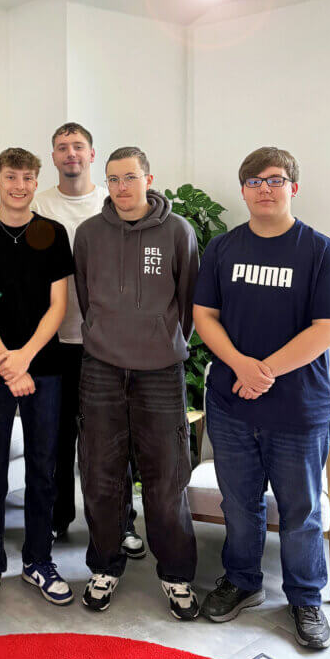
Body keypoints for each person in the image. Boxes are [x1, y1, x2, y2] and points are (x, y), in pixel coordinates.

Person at [194, 147, 330, 649]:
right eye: (254, 181)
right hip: (231, 404)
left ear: (293, 188)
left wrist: (264, 372)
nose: (265, 188)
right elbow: (204, 317)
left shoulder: (321, 251)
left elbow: (328, 328)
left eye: (275, 180)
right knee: (239, 504)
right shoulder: (221, 248)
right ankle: (242, 582)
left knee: (301, 510)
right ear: (243, 190)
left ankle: (304, 598)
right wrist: (240, 367)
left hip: (297, 410)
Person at [74, 146, 199, 619]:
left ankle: (176, 575)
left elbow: (186, 304)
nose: (121, 188)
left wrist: (161, 343)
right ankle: (105, 566)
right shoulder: (88, 235)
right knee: (100, 475)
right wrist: (108, 338)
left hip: (160, 373)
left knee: (167, 478)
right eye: (113, 179)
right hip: (102, 369)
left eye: (130, 177)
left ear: (148, 178)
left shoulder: (178, 232)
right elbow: (87, 300)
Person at [0, 147, 75, 617]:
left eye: (27, 177)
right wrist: (6, 359)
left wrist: (25, 358)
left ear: (35, 180)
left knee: (45, 468)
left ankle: (39, 560)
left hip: (44, 367)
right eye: (10, 177)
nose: (19, 185)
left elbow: (58, 307)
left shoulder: (53, 233)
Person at [33, 122, 144, 558]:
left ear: (92, 154)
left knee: (112, 441)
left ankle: (122, 524)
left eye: (78, 147)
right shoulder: (39, 206)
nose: (70, 154)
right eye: (62, 148)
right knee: (56, 438)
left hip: (108, 344)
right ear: (54, 157)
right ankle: (59, 519)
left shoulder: (111, 201)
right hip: (55, 341)